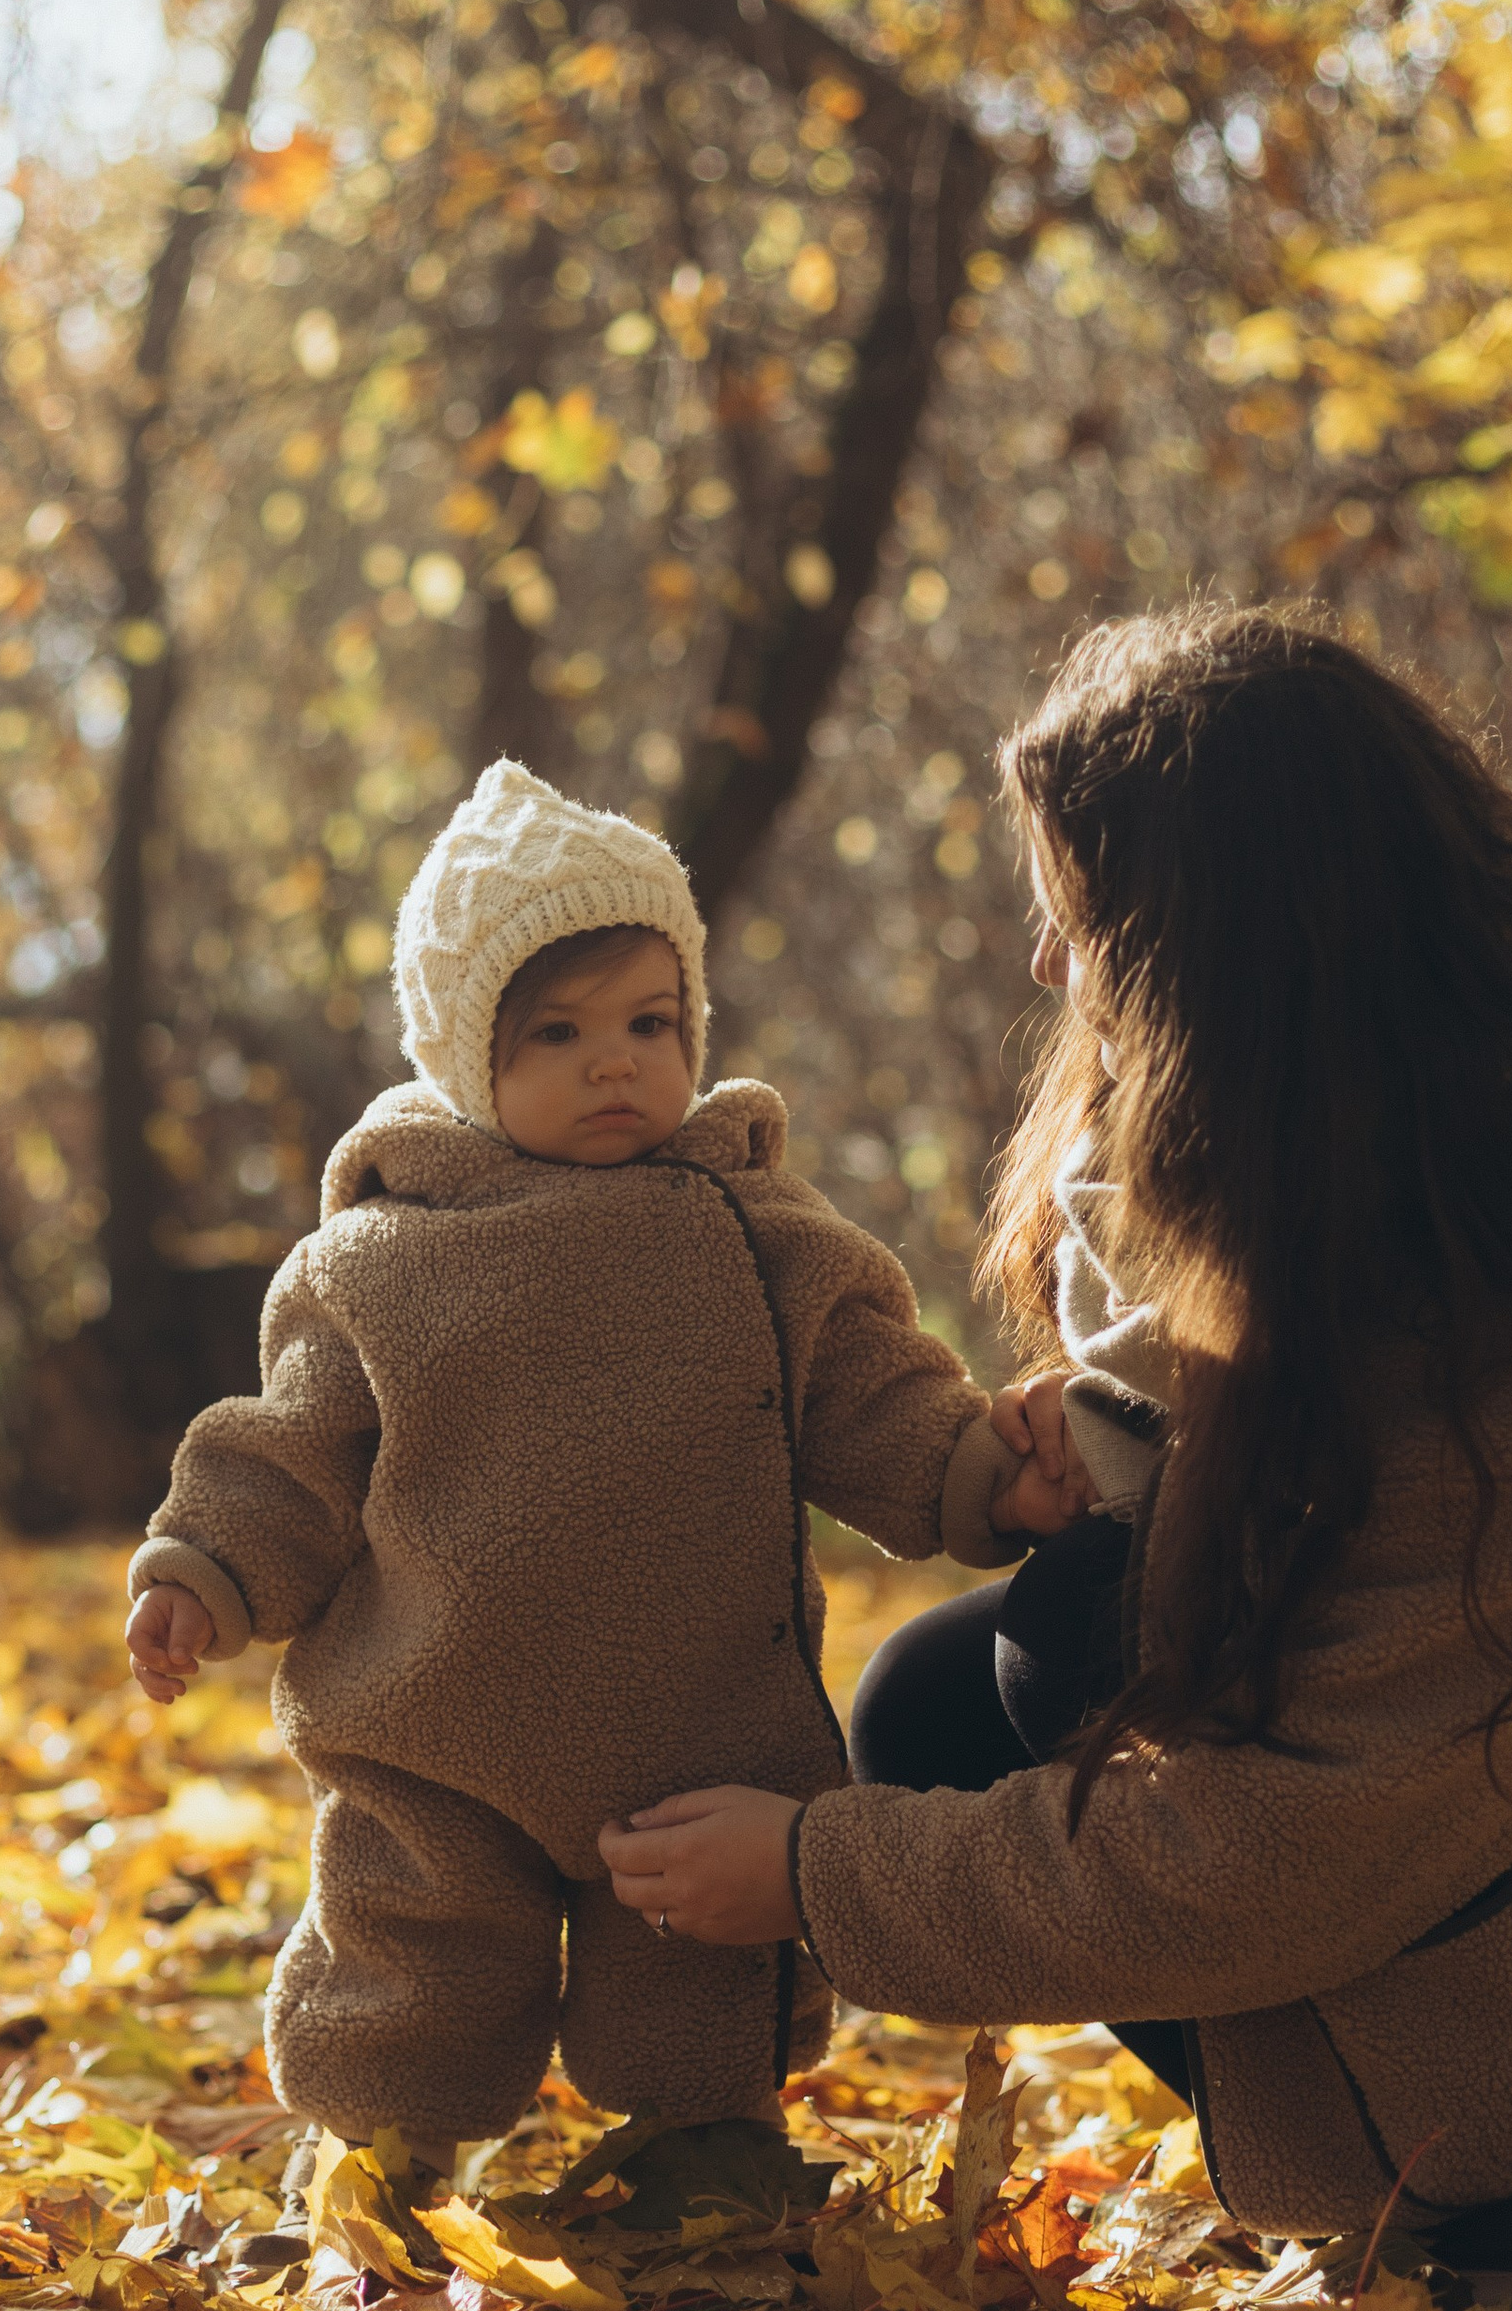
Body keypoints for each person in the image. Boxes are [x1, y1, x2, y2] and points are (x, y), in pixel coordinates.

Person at [598, 605, 1512, 2307]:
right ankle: (1453, 2131)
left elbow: (1301, 1835)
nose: (1042, 970)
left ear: (1217, 949)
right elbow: (1287, 1437)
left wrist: (805, 1874)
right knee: (963, 1688)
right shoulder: (1412, 1097)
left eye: (1077, 924)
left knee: (1053, 1661)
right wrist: (1078, 1443)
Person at [124, 758, 1080, 2207]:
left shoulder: (755, 1224)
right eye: (558, 1034)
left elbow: (870, 1388)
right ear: (463, 1055)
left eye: (651, 1023)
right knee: (413, 1953)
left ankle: (706, 2148)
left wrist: (976, 1471)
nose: (617, 1063)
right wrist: (202, 1565)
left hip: (692, 1714)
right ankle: (379, 2159)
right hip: (437, 1719)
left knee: (694, 1958)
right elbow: (293, 1446)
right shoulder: (382, 1257)